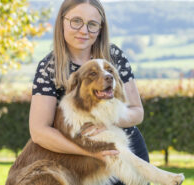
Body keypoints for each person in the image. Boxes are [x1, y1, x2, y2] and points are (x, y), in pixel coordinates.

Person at [30, 0, 149, 184]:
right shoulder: (49, 68)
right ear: (62, 21)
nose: (84, 31)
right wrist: (91, 151)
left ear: (101, 28)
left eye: (92, 24)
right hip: (87, 166)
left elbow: (137, 112)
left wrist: (109, 119)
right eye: (76, 21)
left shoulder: (114, 56)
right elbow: (39, 131)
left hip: (129, 154)